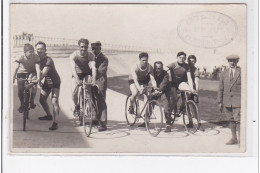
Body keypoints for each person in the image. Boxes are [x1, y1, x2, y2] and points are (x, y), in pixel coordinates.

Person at [36, 41, 61, 130]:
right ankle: (48, 115)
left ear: (45, 50)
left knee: (54, 101)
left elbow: (42, 74)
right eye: (38, 49)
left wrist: (36, 81)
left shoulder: (48, 60)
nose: (40, 51)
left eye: (42, 49)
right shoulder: (37, 59)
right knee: (42, 100)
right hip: (47, 81)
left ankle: (55, 122)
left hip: (55, 81)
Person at [128, 52, 157, 127]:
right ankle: (131, 106)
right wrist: (139, 89)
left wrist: (155, 88)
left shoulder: (149, 67)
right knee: (135, 92)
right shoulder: (135, 66)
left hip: (144, 80)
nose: (145, 62)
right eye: (143, 60)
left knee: (147, 97)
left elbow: (153, 79)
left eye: (146, 60)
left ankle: (144, 114)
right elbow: (135, 80)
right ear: (139, 59)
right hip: (133, 80)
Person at [217, 54, 241, 145]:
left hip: (238, 101)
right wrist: (219, 101)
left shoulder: (242, 72)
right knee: (230, 120)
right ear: (228, 62)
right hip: (227, 101)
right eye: (230, 61)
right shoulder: (224, 73)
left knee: (238, 120)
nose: (232, 62)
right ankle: (234, 138)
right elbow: (220, 88)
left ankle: (242, 139)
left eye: (234, 60)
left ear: (237, 61)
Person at [70, 38, 97, 118]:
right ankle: (76, 106)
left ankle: (89, 108)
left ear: (87, 47)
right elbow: (72, 68)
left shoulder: (90, 55)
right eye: (82, 47)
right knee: (74, 92)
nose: (83, 49)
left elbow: (93, 68)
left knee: (88, 91)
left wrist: (94, 80)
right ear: (79, 46)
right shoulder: (74, 55)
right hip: (76, 74)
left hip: (86, 73)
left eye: (85, 47)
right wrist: (77, 80)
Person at [12, 43, 41, 113]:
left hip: (32, 72)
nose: (32, 53)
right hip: (21, 72)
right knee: (20, 89)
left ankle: (31, 100)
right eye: (30, 52)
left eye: (33, 51)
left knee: (34, 85)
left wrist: (38, 79)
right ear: (25, 53)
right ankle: (22, 103)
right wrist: (13, 77)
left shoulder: (36, 57)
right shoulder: (20, 56)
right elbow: (16, 68)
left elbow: (38, 69)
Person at [166, 52, 194, 117]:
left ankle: (181, 108)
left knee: (189, 92)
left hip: (180, 83)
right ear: (177, 57)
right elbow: (165, 69)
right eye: (180, 57)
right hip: (172, 84)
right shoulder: (173, 64)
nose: (182, 59)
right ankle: (169, 113)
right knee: (174, 99)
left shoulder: (186, 66)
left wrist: (192, 88)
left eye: (183, 58)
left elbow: (189, 78)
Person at [91, 41, 108, 131]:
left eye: (96, 48)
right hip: (92, 80)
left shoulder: (104, 58)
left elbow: (102, 71)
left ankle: (103, 123)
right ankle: (95, 119)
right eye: (92, 48)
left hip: (100, 81)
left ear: (100, 48)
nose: (94, 50)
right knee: (92, 99)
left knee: (101, 101)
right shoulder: (91, 57)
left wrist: (91, 68)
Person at [152, 61, 172, 132]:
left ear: (162, 68)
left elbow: (164, 83)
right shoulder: (152, 73)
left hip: (164, 90)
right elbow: (150, 81)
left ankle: (168, 125)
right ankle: (146, 120)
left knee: (166, 105)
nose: (158, 69)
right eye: (156, 68)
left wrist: (159, 90)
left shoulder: (165, 74)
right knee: (150, 102)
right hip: (155, 90)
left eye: (159, 68)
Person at [186, 55, 200, 128]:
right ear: (187, 61)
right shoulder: (184, 67)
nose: (191, 63)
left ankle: (197, 122)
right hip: (184, 88)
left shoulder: (196, 70)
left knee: (194, 106)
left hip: (192, 89)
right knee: (186, 105)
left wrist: (196, 91)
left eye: (193, 61)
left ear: (195, 62)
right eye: (190, 61)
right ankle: (190, 121)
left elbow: (196, 81)